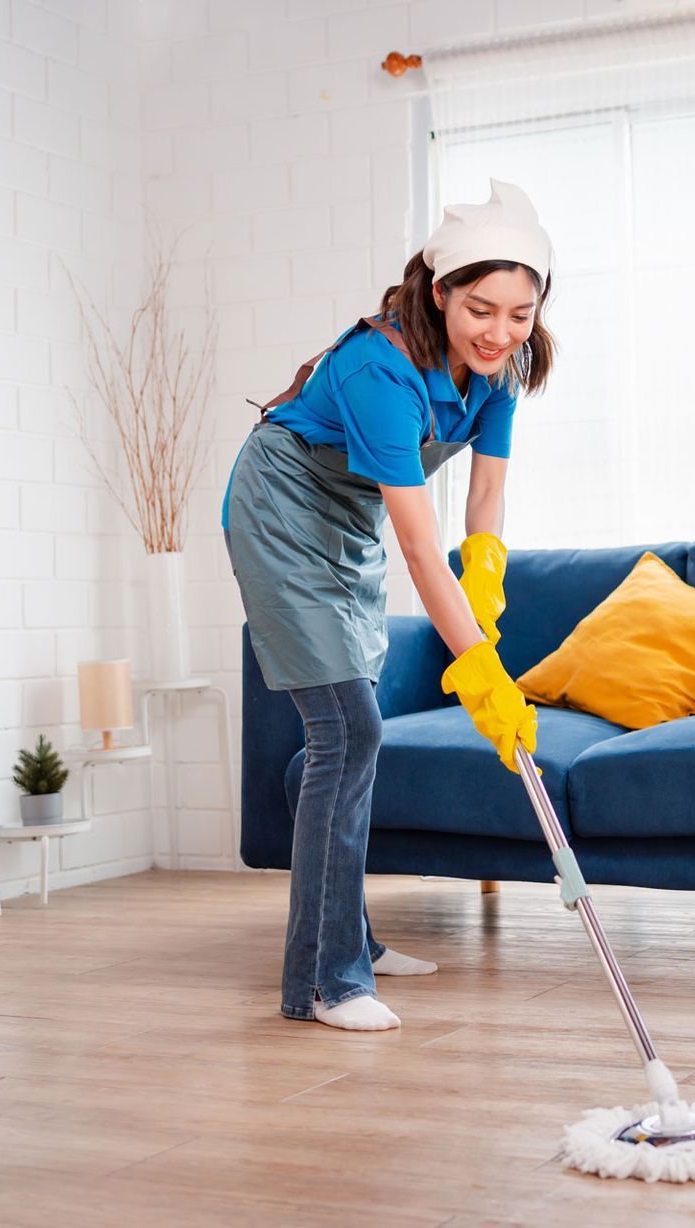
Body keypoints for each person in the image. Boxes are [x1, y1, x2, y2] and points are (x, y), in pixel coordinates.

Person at [222, 181, 552, 1031]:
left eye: (521, 314)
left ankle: (354, 942)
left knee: (350, 738)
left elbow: (482, 505)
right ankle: (323, 982)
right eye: (481, 308)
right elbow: (417, 544)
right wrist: (477, 668)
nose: (500, 332)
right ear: (439, 291)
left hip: (351, 517)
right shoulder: (382, 368)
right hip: (283, 507)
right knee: (348, 730)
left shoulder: (498, 371)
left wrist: (487, 577)